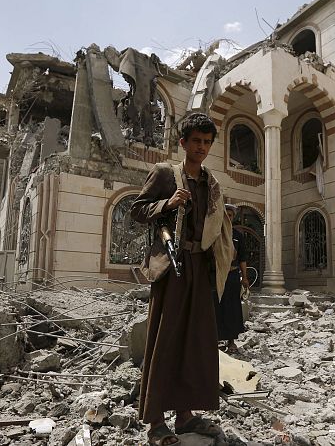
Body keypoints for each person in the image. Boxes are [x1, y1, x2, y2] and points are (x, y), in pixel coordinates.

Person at [131, 113, 234, 446]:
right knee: (167, 341)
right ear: (183, 143)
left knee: (196, 343)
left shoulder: (209, 182)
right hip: (172, 268)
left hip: (200, 268)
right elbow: (137, 209)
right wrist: (166, 203)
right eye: (196, 142)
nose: (201, 148)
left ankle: (186, 415)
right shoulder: (165, 173)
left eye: (207, 143)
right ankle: (157, 422)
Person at [214, 204, 250, 353]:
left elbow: (242, 258)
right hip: (216, 276)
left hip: (233, 275)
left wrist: (245, 278)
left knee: (232, 308)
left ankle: (231, 341)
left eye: (231, 215)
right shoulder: (215, 233)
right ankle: (216, 339)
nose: (228, 217)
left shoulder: (237, 236)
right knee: (216, 306)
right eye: (226, 215)